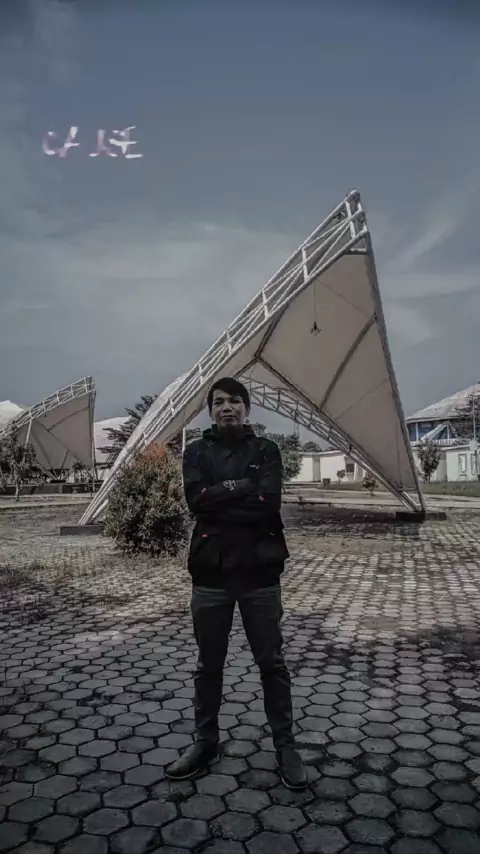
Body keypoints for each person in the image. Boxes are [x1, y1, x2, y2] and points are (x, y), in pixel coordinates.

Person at [166, 376, 307, 790]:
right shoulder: (196, 451)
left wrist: (220, 496)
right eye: (218, 402)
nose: (227, 407)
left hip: (259, 574)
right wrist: (243, 487)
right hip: (211, 574)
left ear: (247, 408)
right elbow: (196, 503)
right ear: (211, 411)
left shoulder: (266, 450)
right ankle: (205, 742)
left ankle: (285, 746)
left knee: (272, 664)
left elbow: (269, 504)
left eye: (234, 400)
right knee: (208, 666)